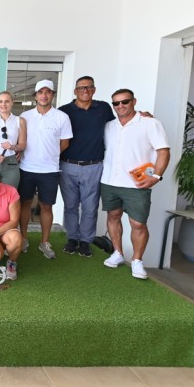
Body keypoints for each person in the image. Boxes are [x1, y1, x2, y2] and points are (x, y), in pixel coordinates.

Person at [101, 89, 170, 280]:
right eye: (116, 103)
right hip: (109, 180)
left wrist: (156, 176)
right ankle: (117, 253)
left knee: (138, 223)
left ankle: (137, 261)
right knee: (113, 216)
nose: (120, 106)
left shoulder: (150, 123)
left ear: (134, 101)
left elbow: (163, 151)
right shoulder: (109, 126)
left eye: (125, 102)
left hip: (137, 183)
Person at [58, 76, 115, 257]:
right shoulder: (64, 111)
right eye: (81, 88)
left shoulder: (103, 108)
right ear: (75, 91)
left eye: (89, 87)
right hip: (68, 165)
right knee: (71, 206)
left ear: (94, 90)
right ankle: (72, 238)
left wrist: (142, 116)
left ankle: (85, 241)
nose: (85, 90)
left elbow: (119, 125)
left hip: (93, 166)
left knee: (90, 207)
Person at [18, 79, 73, 260]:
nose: (44, 95)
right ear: (35, 96)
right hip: (26, 168)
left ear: (52, 95)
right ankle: (24, 238)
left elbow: (65, 142)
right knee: (24, 204)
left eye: (47, 92)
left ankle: (45, 242)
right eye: (40, 92)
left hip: (50, 170)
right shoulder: (25, 116)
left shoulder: (61, 117)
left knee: (46, 206)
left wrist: (49, 154)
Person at [0, 90, 27, 188]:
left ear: (12, 102)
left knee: (10, 196)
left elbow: (23, 144)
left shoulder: (19, 121)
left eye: (7, 101)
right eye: (0, 101)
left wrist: (12, 147)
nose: (3, 104)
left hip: (11, 163)